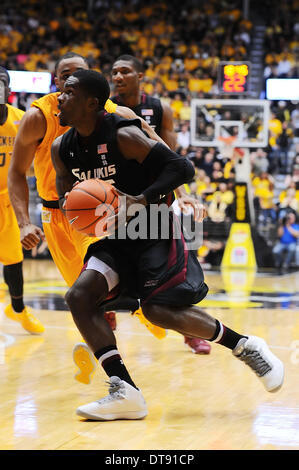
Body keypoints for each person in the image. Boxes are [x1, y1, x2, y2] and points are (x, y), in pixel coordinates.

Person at [51, 70, 284, 421]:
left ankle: (245, 346)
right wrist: (83, 212)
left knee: (157, 310)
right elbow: (68, 198)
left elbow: (181, 168)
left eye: (68, 92)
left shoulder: (124, 135)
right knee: (79, 296)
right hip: (114, 236)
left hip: (152, 227)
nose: (59, 97)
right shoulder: (62, 148)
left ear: (91, 103)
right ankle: (124, 390)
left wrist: (140, 200)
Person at [7, 52, 167, 343]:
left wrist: (177, 189)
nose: (72, 80)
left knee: (94, 282)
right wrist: (24, 222)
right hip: (54, 214)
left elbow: (157, 146)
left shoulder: (108, 109)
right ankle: (110, 348)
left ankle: (144, 309)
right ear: (57, 82)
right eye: (66, 75)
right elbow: (16, 172)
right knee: (82, 295)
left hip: (97, 210)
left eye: (78, 74)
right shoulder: (39, 116)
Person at [111, 54, 210, 354]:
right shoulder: (105, 109)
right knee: (109, 264)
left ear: (140, 75)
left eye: (125, 71)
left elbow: (171, 158)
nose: (117, 77)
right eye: (114, 72)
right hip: (117, 200)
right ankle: (106, 317)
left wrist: (184, 194)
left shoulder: (159, 109)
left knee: (173, 272)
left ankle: (190, 331)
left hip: (155, 198)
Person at [0, 66, 44, 334]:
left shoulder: (21, 120)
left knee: (14, 260)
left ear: (9, 89)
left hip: (7, 200)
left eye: (1, 82)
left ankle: (18, 310)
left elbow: (33, 162)